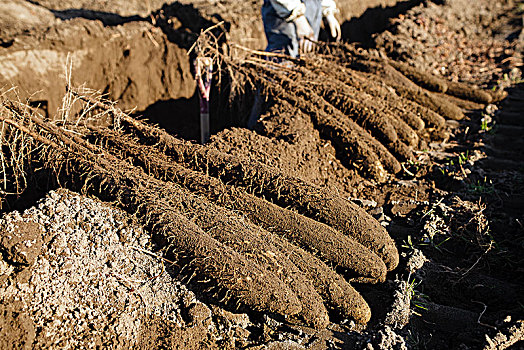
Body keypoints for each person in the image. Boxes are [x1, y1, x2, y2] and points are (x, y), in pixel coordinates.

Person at [262, 0, 342, 58]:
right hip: (284, 13)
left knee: (306, 61)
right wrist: (298, 17)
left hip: (310, 9)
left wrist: (327, 11)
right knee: (283, 62)